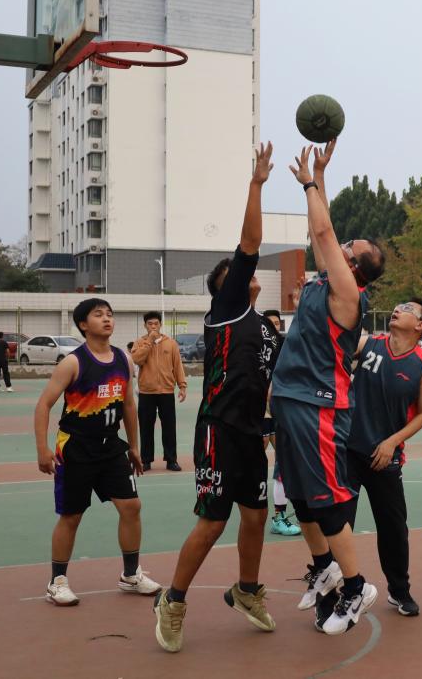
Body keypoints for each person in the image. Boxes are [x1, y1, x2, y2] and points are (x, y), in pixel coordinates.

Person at [153, 142, 284, 652]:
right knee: (213, 521)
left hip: (252, 434)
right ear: (225, 287)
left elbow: (274, 383)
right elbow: (249, 243)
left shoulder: (268, 328)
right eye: (237, 271)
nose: (246, 273)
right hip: (218, 429)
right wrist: (257, 183)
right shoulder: (225, 310)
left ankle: (246, 589)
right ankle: (173, 600)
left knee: (256, 517)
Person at [271, 141, 386, 635]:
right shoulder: (326, 278)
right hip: (291, 399)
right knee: (298, 494)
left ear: (354, 267)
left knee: (327, 500)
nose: (341, 244)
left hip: (319, 405)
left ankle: (357, 587)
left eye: (349, 248)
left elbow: (323, 230)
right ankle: (324, 566)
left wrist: (309, 184)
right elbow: (323, 234)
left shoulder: (347, 294)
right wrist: (319, 175)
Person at [34, 297, 159, 607]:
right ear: (83, 324)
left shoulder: (123, 359)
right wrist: (42, 449)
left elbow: (128, 404)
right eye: (98, 314)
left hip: (111, 447)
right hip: (76, 447)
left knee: (131, 507)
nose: (107, 319)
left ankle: (130, 575)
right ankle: (57, 581)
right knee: (71, 516)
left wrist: (134, 446)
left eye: (110, 314)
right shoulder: (73, 363)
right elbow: (43, 405)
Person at [340, 297, 422, 617]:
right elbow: (335, 348)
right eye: (399, 306)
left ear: (420, 325)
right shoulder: (369, 344)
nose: (398, 309)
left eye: (408, 309)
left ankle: (399, 590)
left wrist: (393, 442)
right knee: (339, 524)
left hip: (385, 456)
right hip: (348, 450)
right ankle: (337, 592)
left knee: (393, 527)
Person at [261, 310, 301, 538]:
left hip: (291, 413)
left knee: (289, 463)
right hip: (270, 409)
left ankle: (297, 512)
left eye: (277, 323)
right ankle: (278, 516)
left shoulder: (288, 346)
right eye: (270, 324)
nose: (274, 327)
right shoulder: (260, 350)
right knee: (278, 462)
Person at [131, 311, 187, 472]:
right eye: (150, 324)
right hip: (146, 392)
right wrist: (149, 341)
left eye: (156, 323)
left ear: (161, 324)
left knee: (169, 427)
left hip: (166, 392)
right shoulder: (139, 342)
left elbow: (177, 365)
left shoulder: (171, 343)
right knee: (146, 428)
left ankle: (171, 460)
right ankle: (146, 460)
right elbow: (136, 359)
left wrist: (182, 386)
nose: (153, 326)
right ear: (145, 325)